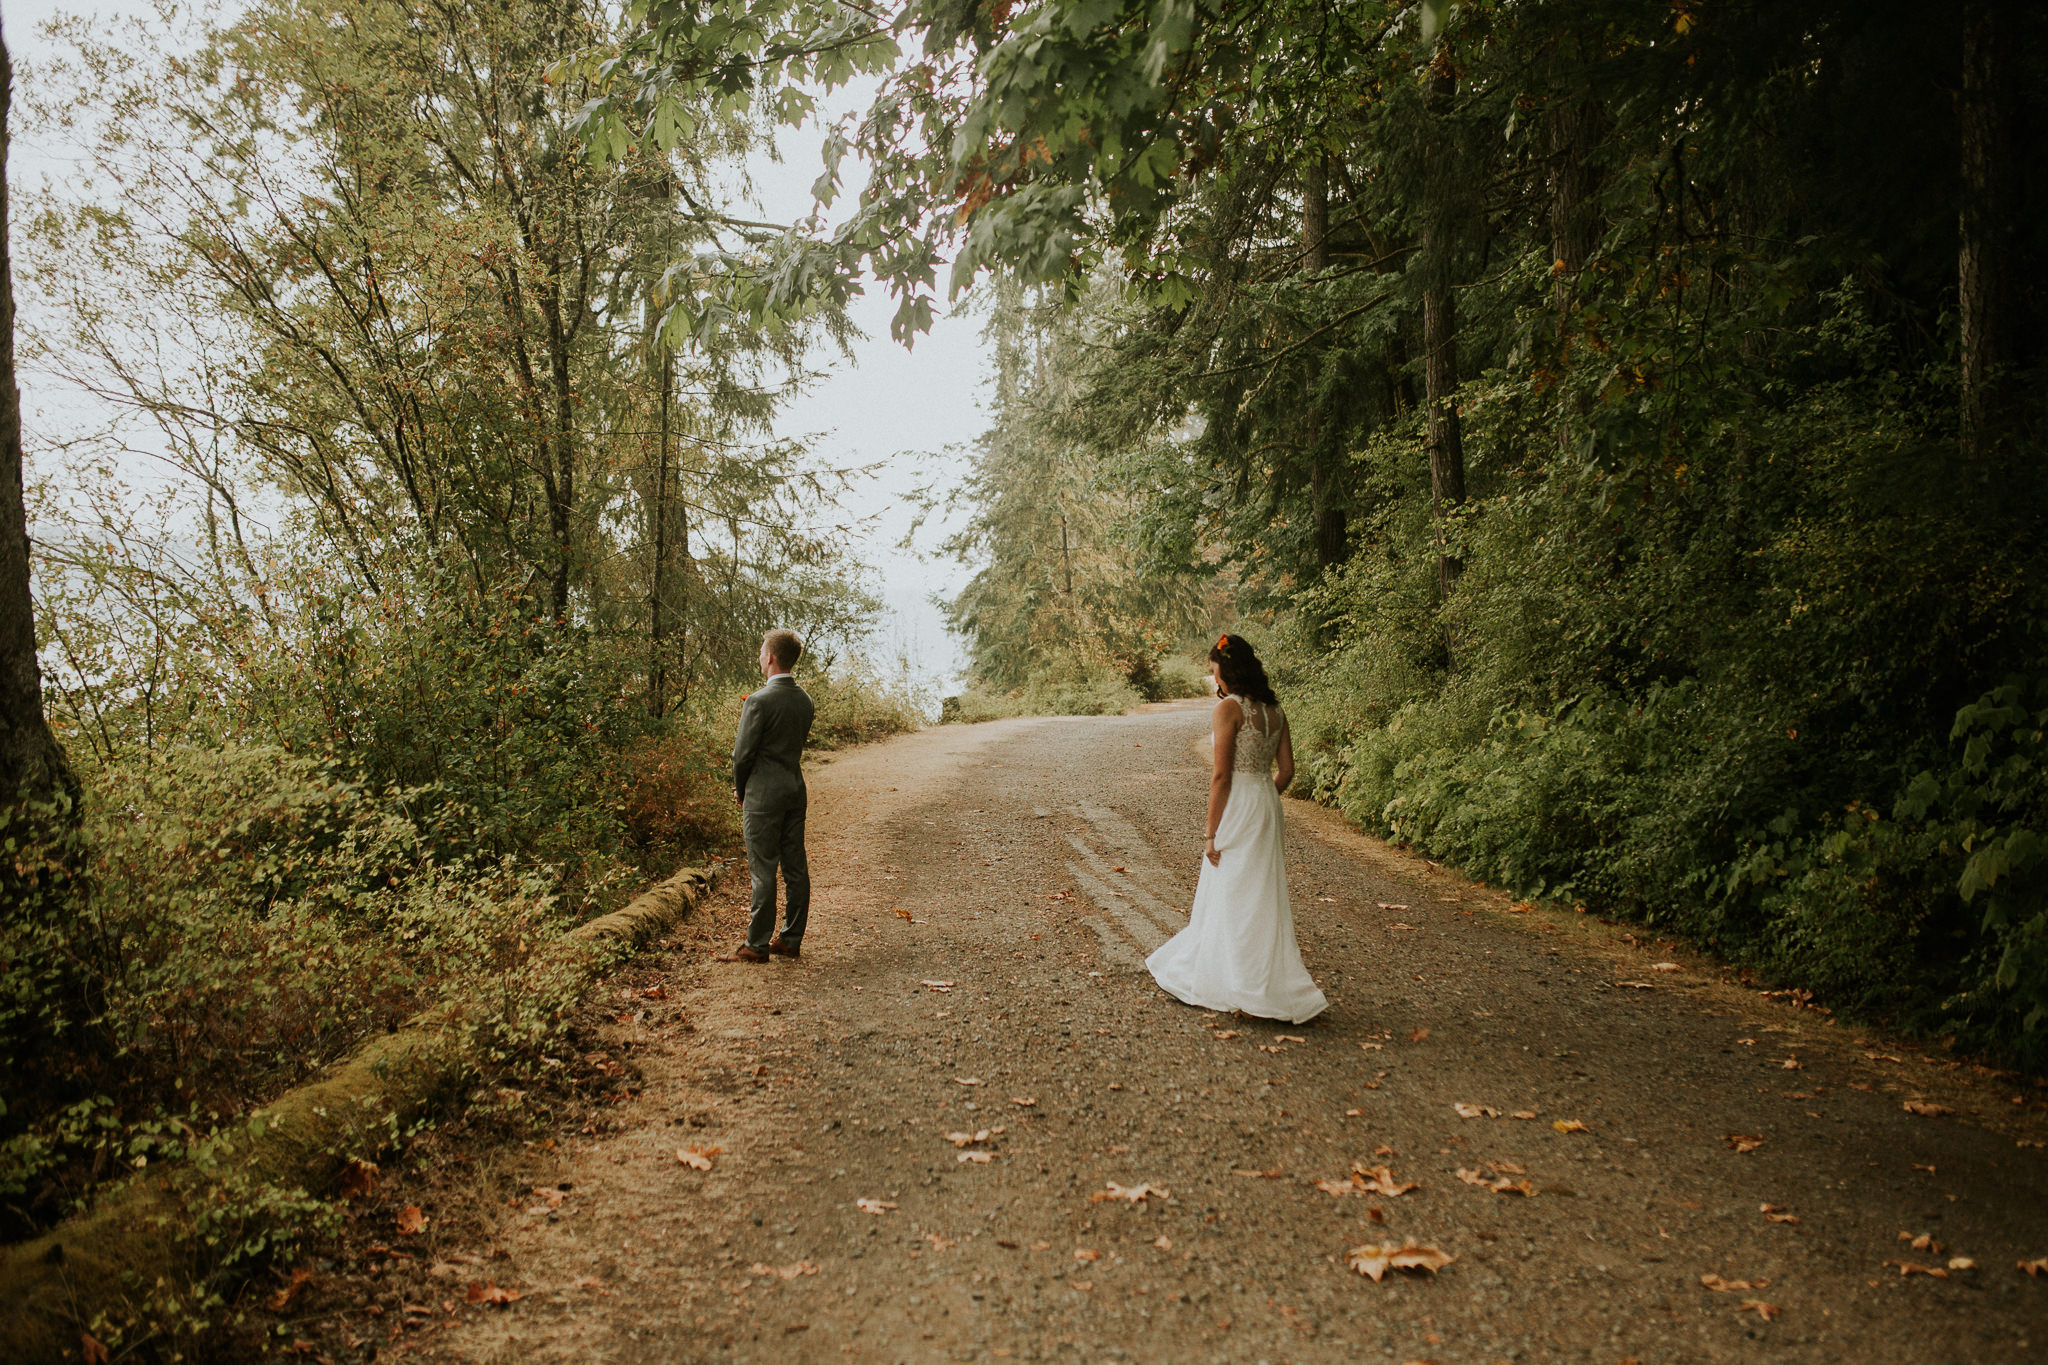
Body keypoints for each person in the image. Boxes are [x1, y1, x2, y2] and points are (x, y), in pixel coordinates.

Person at [1145, 633, 1328, 1023]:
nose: (1216, 682)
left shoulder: (1229, 709)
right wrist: (1265, 796)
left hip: (1240, 803)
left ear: (1228, 671)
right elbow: (1288, 772)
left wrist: (1211, 832)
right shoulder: (1275, 710)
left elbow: (1222, 776)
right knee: (1261, 892)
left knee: (1230, 887)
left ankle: (1231, 979)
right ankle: (1264, 981)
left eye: (1216, 673)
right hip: (1266, 803)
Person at [717, 629, 815, 964]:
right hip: (794, 789)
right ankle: (790, 939)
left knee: (763, 870)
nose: (760, 656)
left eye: (762, 650)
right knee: (795, 867)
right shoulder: (805, 701)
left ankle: (756, 945)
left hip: (763, 796)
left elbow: (741, 756)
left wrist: (741, 790)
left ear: (770, 656)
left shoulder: (759, 701)